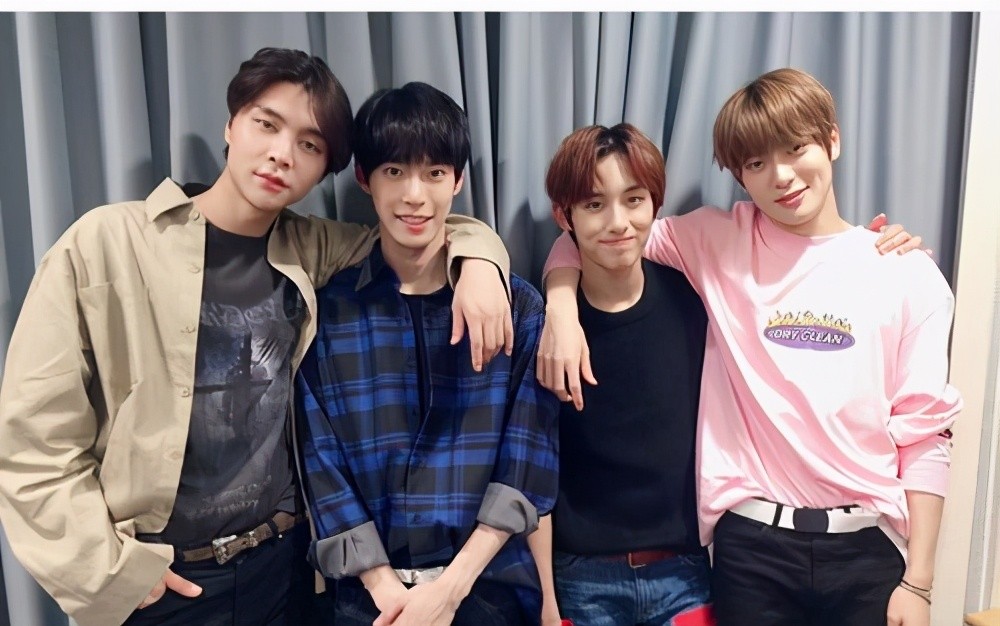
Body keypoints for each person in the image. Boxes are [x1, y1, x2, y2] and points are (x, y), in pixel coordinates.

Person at [0, 47, 512, 626]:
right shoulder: (106, 244)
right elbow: (33, 441)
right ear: (231, 124)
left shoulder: (312, 247)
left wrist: (481, 261)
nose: (281, 154)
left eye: (310, 145)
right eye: (266, 125)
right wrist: (110, 574)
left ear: (327, 169)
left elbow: (417, 227)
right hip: (163, 582)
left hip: (285, 572)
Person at [541, 68, 960, 626]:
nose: (782, 176)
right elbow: (598, 235)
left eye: (796, 148)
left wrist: (919, 582)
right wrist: (559, 307)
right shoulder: (715, 240)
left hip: (869, 547)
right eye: (757, 163)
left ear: (832, 140)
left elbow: (926, 434)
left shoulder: (906, 272)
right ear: (740, 176)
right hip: (751, 548)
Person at [295, 81, 559, 626]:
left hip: (489, 592)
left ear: (457, 180)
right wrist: (386, 590)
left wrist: (449, 592)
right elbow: (320, 460)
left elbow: (527, 458)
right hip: (368, 601)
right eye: (394, 171)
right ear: (364, 178)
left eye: (435, 173)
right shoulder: (329, 313)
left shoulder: (518, 307)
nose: (414, 195)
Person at [531, 124, 714, 626]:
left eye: (634, 200)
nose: (618, 223)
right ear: (563, 216)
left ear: (655, 204)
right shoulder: (542, 329)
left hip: (686, 574)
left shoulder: (696, 302)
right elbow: (531, 471)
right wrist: (546, 602)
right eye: (594, 205)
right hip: (581, 580)